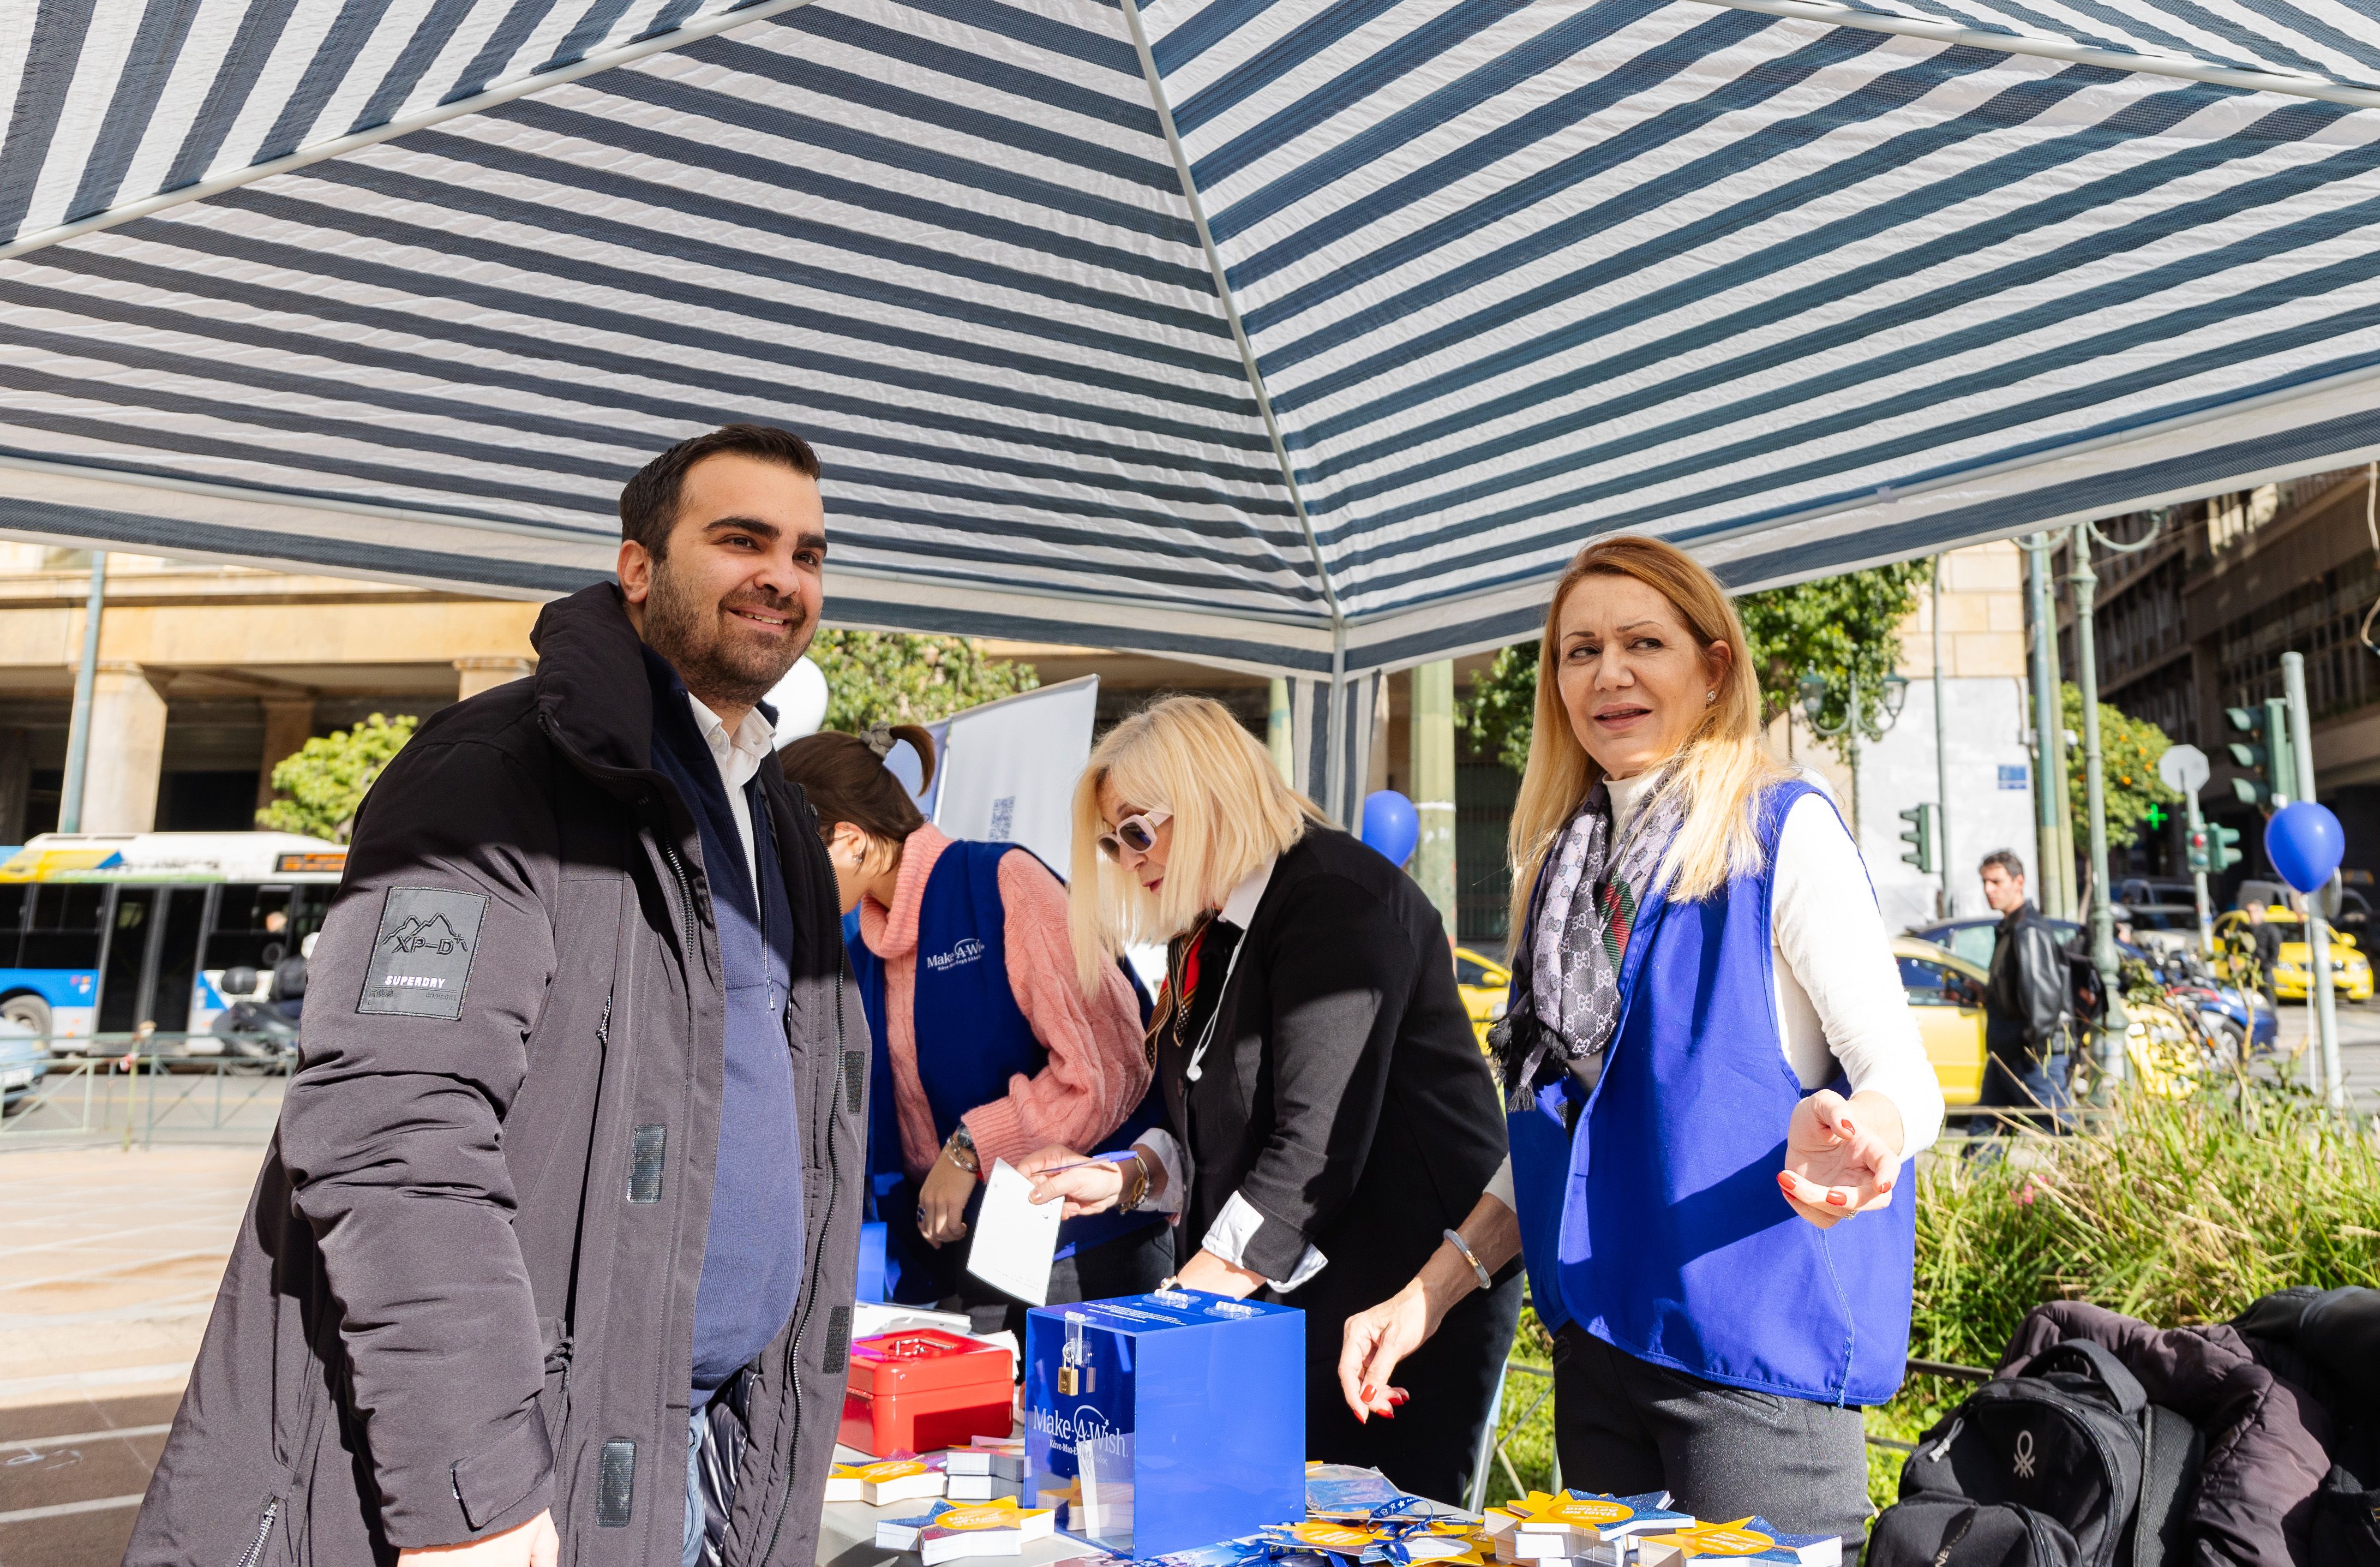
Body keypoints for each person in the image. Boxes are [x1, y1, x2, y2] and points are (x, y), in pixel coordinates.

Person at [129, 424, 865, 1567]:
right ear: (638, 567)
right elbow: (390, 1121)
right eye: (741, 538)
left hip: (704, 1447)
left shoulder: (770, 814)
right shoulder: (494, 772)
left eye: (809, 552)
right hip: (536, 1472)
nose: (783, 575)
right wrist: (472, 1485)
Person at [1333, 537, 1944, 1554]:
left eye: (1641, 642)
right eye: (1579, 651)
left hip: (1748, 1376)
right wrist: (1424, 1295)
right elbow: (1553, 1142)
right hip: (1598, 1358)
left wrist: (1862, 1138)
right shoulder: (1562, 871)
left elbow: (1901, 1079)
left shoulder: (1778, 832)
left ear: (1712, 670)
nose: (1606, 673)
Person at [1023, 696, 1516, 1505]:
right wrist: (1128, 1174)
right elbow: (1208, 1116)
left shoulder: (1335, 898)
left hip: (1393, 1297)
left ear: (1209, 795)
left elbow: (1314, 1142)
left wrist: (1185, 1301)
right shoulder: (1210, 922)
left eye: (1137, 831)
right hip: (1284, 1297)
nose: (1126, 858)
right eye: (1112, 846)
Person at [780, 723, 1170, 1336]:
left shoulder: (1001, 881)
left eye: (790, 859)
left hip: (1084, 1247)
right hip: (966, 1257)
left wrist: (968, 1149)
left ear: (851, 840)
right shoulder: (862, 941)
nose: (785, 883)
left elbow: (1109, 1067)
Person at [1974, 850, 2075, 1137]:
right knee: (1984, 1130)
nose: (1988, 890)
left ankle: (2092, 1178)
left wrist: (2036, 1048)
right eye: (1985, 882)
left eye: (1996, 882)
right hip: (2009, 1051)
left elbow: (2043, 998)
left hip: (2031, 1054)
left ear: (2019, 882)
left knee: (2061, 1132)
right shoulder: (2012, 927)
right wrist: (1983, 994)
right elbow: (2020, 991)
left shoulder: (2027, 930)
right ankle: (1977, 1179)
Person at [2243, 899, 2285, 1024]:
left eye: (2252, 911)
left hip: (2264, 971)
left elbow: (2275, 949)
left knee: (2269, 1001)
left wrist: (2267, 965)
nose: (2250, 914)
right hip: (2249, 972)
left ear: (2260, 912)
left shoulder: (2270, 929)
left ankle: (2272, 1024)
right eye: (2248, 911)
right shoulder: (2246, 929)